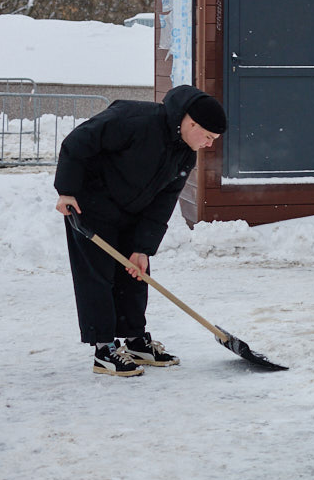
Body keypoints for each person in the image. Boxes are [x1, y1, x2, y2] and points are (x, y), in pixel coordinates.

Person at [54, 84, 227, 377]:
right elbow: (78, 142)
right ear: (191, 122)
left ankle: (135, 341)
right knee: (98, 276)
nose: (209, 145)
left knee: (135, 274)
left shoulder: (185, 153)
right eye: (208, 137)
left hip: (132, 213)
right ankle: (105, 349)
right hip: (91, 205)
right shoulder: (135, 119)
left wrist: (142, 248)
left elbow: (163, 203)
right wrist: (67, 190)